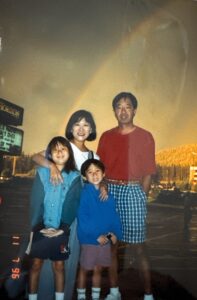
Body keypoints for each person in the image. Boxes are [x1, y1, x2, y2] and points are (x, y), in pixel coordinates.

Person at [32, 110, 104, 300]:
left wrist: (102, 186)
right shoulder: (63, 147)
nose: (81, 129)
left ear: (91, 129)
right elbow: (35, 157)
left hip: (79, 213)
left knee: (68, 259)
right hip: (56, 213)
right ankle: (43, 295)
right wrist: (52, 166)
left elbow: (96, 180)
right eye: (77, 124)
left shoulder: (93, 155)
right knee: (46, 260)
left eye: (86, 124)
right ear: (71, 127)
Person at [97, 92, 156, 300]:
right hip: (110, 191)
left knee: (139, 247)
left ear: (134, 110)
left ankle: (148, 294)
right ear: (114, 111)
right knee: (111, 246)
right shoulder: (106, 136)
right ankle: (114, 292)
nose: (123, 111)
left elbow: (148, 171)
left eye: (127, 106)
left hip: (133, 191)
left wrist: (142, 196)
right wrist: (102, 186)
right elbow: (99, 170)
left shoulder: (145, 136)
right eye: (119, 107)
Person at [27, 136, 82, 300]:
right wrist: (37, 226)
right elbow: (36, 200)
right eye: (55, 149)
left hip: (61, 230)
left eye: (63, 149)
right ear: (49, 154)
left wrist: (63, 228)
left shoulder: (74, 176)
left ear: (69, 154)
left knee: (59, 266)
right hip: (40, 228)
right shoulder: (42, 173)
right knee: (36, 265)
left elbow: (73, 203)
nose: (59, 152)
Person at [77, 159, 122, 300]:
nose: (94, 175)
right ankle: (81, 296)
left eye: (97, 171)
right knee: (85, 269)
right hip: (90, 239)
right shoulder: (84, 194)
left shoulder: (109, 197)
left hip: (106, 239)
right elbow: (82, 218)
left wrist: (115, 233)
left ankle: (95, 297)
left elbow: (114, 217)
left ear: (103, 174)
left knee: (98, 268)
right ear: (85, 176)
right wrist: (96, 235)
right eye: (90, 172)